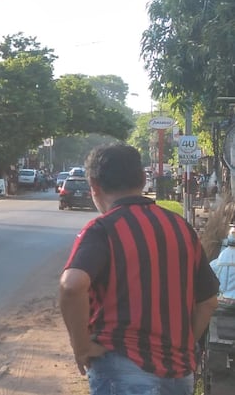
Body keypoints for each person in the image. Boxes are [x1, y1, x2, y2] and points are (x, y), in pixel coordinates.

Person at [59, 144, 220, 395]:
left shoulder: (103, 228)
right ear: (144, 179)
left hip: (123, 367)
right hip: (179, 373)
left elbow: (72, 285)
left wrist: (81, 347)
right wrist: (185, 346)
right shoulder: (179, 227)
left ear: (94, 186)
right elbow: (208, 300)